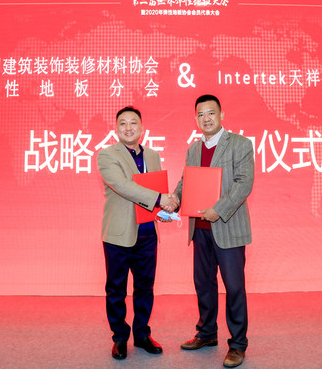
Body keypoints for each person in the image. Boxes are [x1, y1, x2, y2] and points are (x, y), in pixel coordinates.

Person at [174, 94, 254, 368]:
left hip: (228, 227)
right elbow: (186, 182)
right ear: (195, 118)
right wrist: (173, 200)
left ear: (221, 115)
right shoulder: (194, 149)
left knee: (234, 287)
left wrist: (218, 209)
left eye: (211, 113)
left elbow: (244, 183)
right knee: (203, 284)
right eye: (201, 114)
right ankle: (207, 333)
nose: (206, 118)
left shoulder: (240, 144)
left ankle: (238, 345)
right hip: (200, 229)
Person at [97, 106, 178, 360]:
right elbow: (123, 186)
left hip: (147, 233)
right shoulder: (107, 155)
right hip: (119, 234)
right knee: (116, 289)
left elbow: (155, 189)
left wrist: (164, 210)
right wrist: (160, 199)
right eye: (123, 123)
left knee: (145, 287)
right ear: (116, 128)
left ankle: (142, 334)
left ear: (142, 128)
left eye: (133, 123)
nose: (128, 127)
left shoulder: (153, 155)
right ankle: (120, 338)